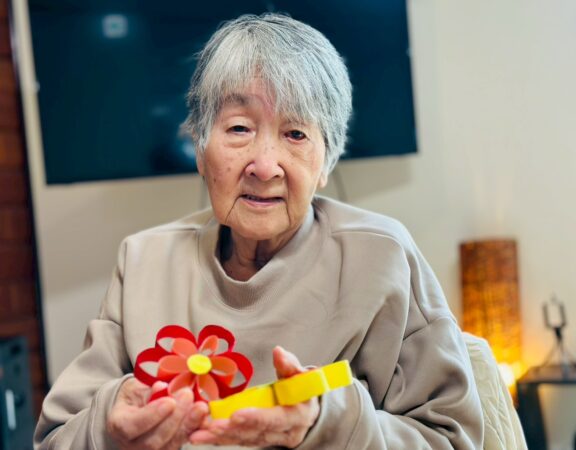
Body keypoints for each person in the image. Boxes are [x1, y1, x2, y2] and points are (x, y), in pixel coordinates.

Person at [34, 13, 484, 449]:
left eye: (295, 134)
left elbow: (451, 440)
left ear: (326, 161)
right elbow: (55, 439)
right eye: (239, 128)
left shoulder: (382, 256)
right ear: (199, 149)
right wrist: (110, 427)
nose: (265, 166)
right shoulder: (143, 261)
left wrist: (323, 426)